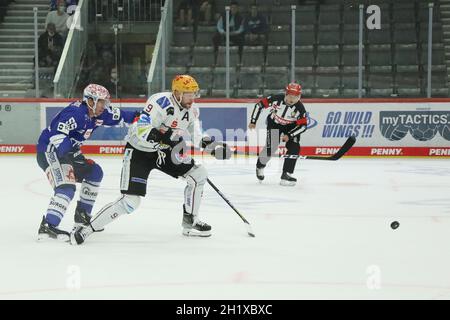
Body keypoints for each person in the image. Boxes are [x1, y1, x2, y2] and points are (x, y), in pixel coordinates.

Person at [70, 75, 231, 245]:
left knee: (198, 174)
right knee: (131, 202)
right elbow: (141, 130)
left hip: (163, 150)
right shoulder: (159, 102)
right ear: (176, 93)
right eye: (188, 94)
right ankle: (87, 228)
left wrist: (213, 148)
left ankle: (190, 222)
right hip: (139, 150)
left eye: (194, 94)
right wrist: (168, 137)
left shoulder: (192, 110)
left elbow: (197, 134)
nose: (192, 98)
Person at [36, 84, 138, 241]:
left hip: (68, 154)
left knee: (95, 172)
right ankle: (48, 226)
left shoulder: (99, 114)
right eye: (102, 102)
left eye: (105, 102)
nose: (104, 106)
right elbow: (56, 135)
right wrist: (74, 156)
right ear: (90, 101)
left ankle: (82, 215)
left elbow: (124, 115)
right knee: (66, 187)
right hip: (50, 152)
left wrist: (146, 116)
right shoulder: (75, 113)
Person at [248, 83, 308, 186]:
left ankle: (286, 174)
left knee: (294, 147)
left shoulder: (300, 109)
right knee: (271, 147)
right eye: (290, 96)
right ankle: (260, 166)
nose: (291, 99)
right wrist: (253, 121)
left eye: (295, 97)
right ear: (285, 94)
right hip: (274, 124)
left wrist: (290, 135)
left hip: (291, 127)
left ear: (299, 97)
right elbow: (259, 105)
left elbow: (303, 126)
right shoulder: (276, 99)